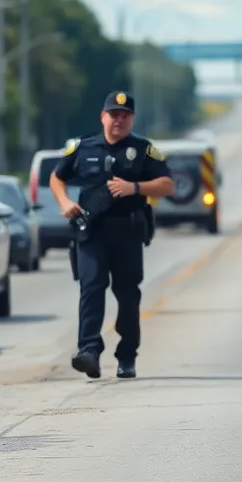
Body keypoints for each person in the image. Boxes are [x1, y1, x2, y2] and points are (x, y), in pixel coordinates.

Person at [49, 90, 175, 379]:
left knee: (128, 296)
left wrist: (136, 188)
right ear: (102, 116)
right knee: (91, 290)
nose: (119, 120)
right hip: (91, 233)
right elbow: (57, 177)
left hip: (128, 232)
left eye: (125, 115)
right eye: (114, 114)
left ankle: (127, 355)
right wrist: (65, 202)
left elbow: (167, 185)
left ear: (132, 119)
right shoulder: (82, 147)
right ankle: (89, 351)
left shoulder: (143, 149)